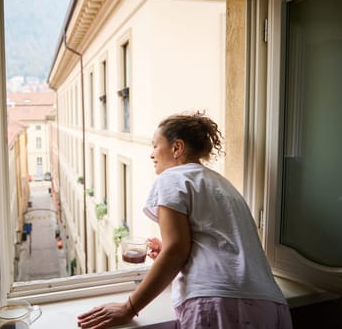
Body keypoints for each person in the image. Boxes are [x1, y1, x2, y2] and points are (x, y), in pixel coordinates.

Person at [77, 111, 292, 329]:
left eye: (155, 146)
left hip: (217, 304)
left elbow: (177, 250)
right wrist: (174, 251)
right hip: (270, 305)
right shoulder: (225, 186)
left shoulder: (172, 177)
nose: (151, 154)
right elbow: (220, 245)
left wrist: (129, 307)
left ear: (177, 148)